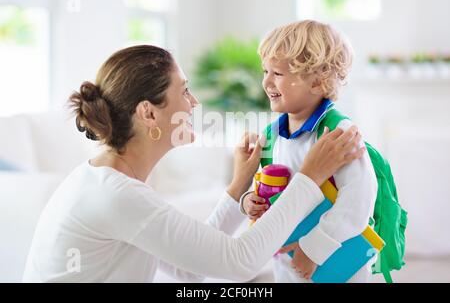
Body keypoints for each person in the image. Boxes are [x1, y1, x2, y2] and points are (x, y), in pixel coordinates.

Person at [22, 45, 364, 283]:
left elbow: (188, 271)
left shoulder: (107, 180)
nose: (195, 102)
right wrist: (309, 178)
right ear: (148, 112)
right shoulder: (117, 195)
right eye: (184, 91)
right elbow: (240, 261)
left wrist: (236, 187)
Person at [242, 20, 378, 283]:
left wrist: (313, 249)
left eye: (278, 74)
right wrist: (250, 201)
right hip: (287, 262)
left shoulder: (338, 133)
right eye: (265, 71)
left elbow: (359, 200)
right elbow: (271, 188)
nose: (266, 81)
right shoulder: (272, 135)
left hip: (334, 264)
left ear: (317, 81)